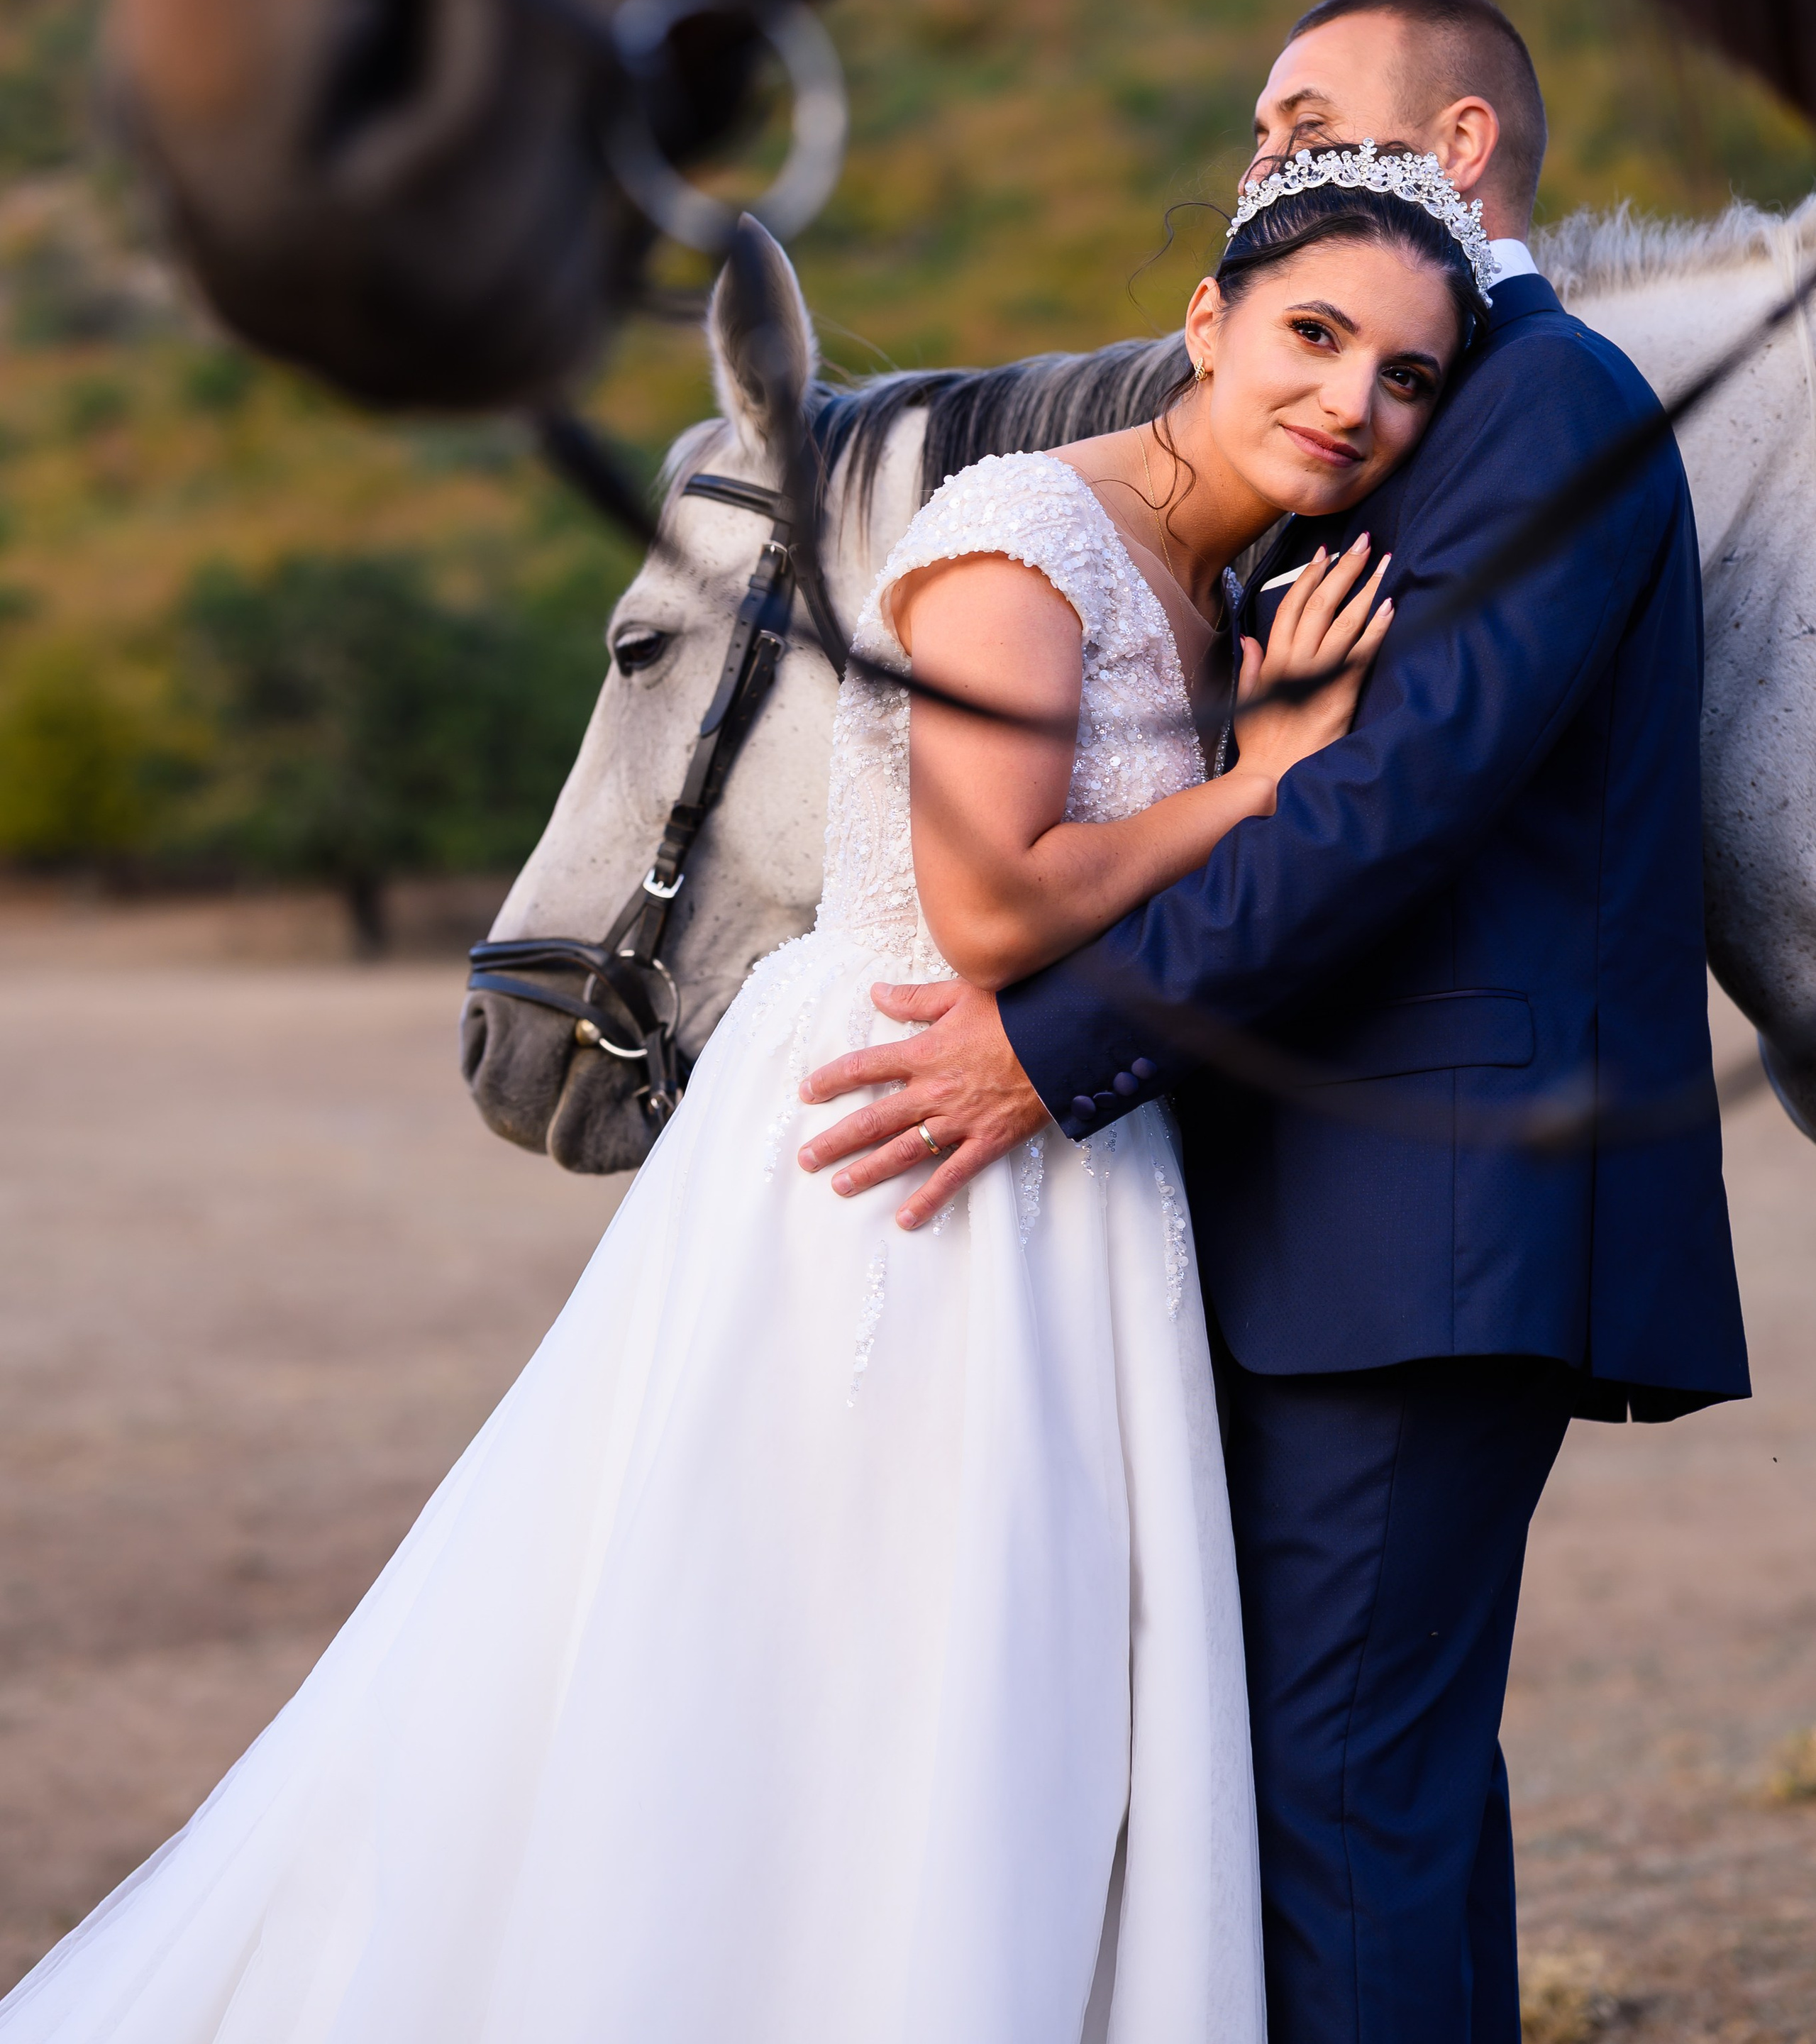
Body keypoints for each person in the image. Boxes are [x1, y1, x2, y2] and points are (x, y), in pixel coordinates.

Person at [0, 179, 1488, 2042]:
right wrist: (1264, 780)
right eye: (1316, 338)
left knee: (1003, 1673)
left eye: (1411, 379)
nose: (1355, 404)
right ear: (1209, 322)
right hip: (901, 1152)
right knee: (840, 1653)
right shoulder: (1023, 530)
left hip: (1073, 1168)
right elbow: (993, 901)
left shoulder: (1221, 588)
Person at [800, 0, 1751, 2044]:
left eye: (1303, 111)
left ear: (1464, 148)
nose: (1261, 152)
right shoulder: (1414, 415)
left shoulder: (1543, 404)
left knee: (1332, 1817)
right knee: (1374, 1803)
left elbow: (1399, 800)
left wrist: (1055, 1052)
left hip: (1417, 1232)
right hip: (1328, 1218)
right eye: (1255, 131)